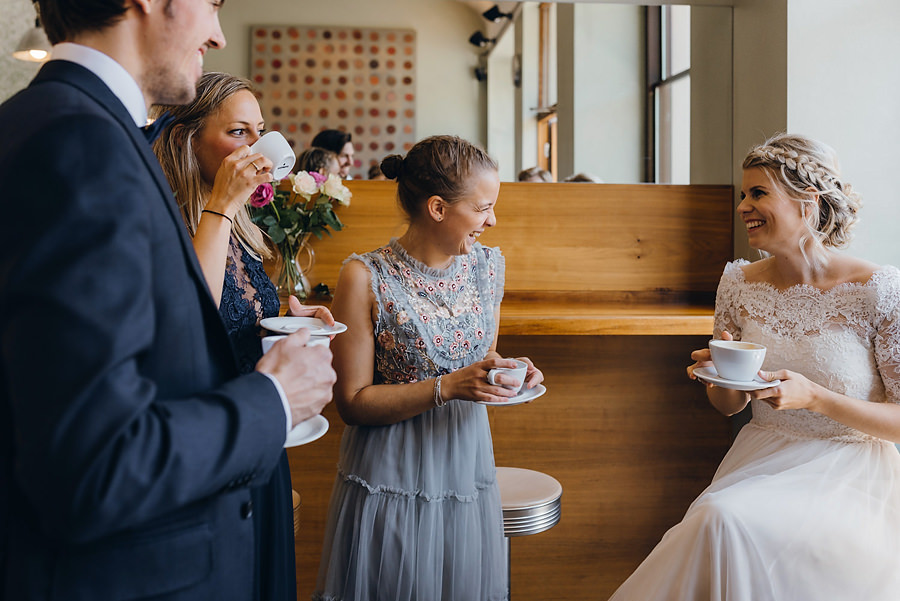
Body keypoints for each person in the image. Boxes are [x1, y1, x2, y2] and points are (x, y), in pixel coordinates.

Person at [0, 3, 335, 600]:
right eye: (211, 4)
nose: (219, 34)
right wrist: (275, 400)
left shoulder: (69, 126)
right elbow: (93, 463)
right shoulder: (79, 144)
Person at [609, 133, 900, 600]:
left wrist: (816, 398)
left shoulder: (879, 290)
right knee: (720, 518)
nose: (743, 206)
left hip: (852, 474)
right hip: (762, 458)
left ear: (807, 201)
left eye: (758, 193)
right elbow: (728, 406)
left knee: (726, 519)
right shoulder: (737, 283)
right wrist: (720, 376)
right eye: (744, 194)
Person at [313, 135, 543, 600]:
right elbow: (352, 403)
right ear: (438, 208)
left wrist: (507, 370)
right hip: (391, 474)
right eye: (482, 208)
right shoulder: (364, 277)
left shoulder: (486, 268)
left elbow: (481, 358)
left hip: (466, 466)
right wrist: (446, 387)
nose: (492, 221)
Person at [153, 71, 335, 601]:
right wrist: (222, 203)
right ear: (187, 140)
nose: (256, 147)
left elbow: (237, 317)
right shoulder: (172, 222)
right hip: (209, 443)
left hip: (260, 430)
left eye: (260, 131)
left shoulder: (239, 226)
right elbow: (193, 319)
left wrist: (286, 320)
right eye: (238, 133)